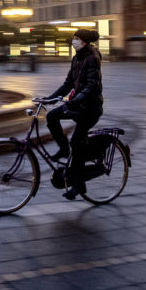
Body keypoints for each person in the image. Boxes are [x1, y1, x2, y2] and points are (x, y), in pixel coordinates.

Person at [43, 28, 104, 200]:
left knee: (77, 142)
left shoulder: (93, 57)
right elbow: (68, 83)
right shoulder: (76, 58)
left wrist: (77, 99)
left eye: (77, 38)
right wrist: (50, 99)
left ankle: (79, 185)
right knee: (51, 116)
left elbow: (92, 85)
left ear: (84, 41)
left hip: (90, 108)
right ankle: (63, 149)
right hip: (78, 105)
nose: (74, 41)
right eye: (73, 38)